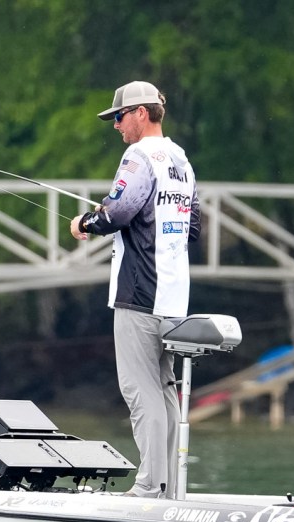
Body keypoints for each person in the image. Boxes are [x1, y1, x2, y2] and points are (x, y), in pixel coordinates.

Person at [70, 80, 200, 499]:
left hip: (139, 294)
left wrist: (86, 222)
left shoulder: (138, 155)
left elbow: (119, 212)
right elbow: (193, 227)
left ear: (142, 113)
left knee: (139, 389)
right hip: (174, 298)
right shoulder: (180, 159)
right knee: (163, 390)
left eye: (120, 116)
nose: (116, 126)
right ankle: (169, 488)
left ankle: (149, 487)